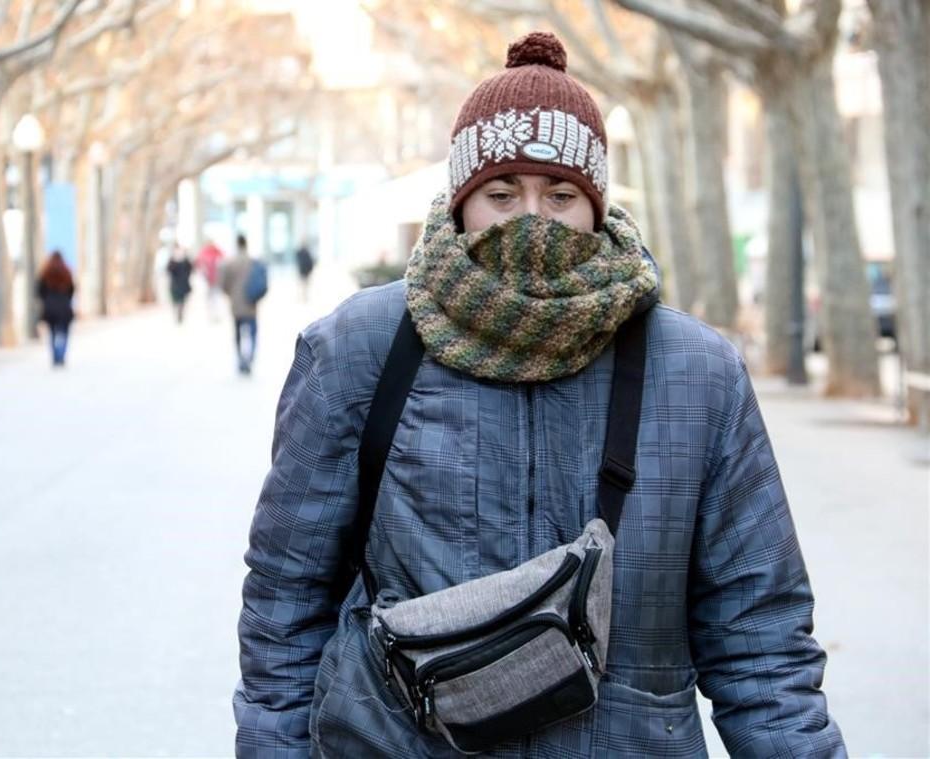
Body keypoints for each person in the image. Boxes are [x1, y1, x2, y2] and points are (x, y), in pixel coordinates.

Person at [234, 32, 844, 758]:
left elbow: (762, 641)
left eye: (560, 194)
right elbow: (286, 600)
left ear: (595, 204)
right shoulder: (358, 349)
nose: (532, 219)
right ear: (460, 202)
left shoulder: (697, 371)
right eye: (500, 194)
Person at [220, 234, 264, 375]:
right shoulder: (254, 262)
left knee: (238, 333)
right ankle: (249, 359)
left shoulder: (229, 263)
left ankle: (240, 359)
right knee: (252, 334)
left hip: (236, 305)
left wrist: (231, 295)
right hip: (251, 304)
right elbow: (263, 284)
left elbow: (223, 284)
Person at [37, 251, 75, 367]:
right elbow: (72, 289)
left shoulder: (46, 272)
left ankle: (55, 357)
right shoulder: (66, 272)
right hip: (64, 306)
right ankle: (61, 356)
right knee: (64, 333)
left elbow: (40, 291)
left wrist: (47, 299)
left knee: (53, 333)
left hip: (50, 307)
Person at [195, 238, 226, 322]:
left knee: (217, 297)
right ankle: (211, 315)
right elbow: (199, 265)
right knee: (209, 298)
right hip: (207, 280)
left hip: (217, 279)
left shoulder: (218, 252)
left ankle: (217, 315)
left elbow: (224, 264)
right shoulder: (203, 253)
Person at [166, 247, 194, 324]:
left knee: (182, 301)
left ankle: (180, 314)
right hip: (174, 285)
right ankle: (177, 313)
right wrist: (174, 260)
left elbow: (191, 268)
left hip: (184, 285)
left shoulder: (186, 261)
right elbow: (168, 270)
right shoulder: (172, 261)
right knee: (175, 301)